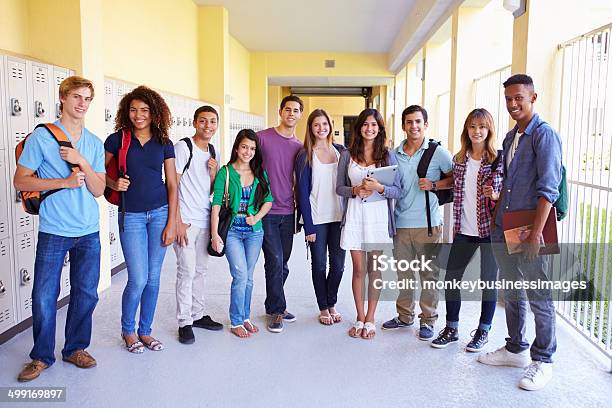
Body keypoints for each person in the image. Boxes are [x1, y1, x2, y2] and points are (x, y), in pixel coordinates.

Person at [14, 76, 106, 381]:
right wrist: (63, 182)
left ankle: (75, 348)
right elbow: (21, 180)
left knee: (86, 293)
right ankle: (41, 356)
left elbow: (98, 189)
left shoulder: (93, 142)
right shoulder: (42, 137)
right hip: (54, 229)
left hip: (88, 230)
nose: (82, 104)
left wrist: (81, 161)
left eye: (88, 98)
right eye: (77, 97)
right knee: (43, 295)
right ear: (63, 98)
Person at [478, 74, 562, 391]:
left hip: (530, 229)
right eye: (509, 99)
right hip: (505, 225)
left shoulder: (544, 135)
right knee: (512, 291)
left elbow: (548, 190)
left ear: (533, 98)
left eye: (519, 99)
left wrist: (535, 235)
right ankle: (516, 348)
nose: (513, 104)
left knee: (539, 295)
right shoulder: (511, 137)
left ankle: (543, 360)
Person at [104, 86, 177, 353]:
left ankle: (145, 331)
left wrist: (172, 222)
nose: (138, 115)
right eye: (133, 110)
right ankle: (128, 331)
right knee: (137, 278)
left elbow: (172, 184)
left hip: (159, 214)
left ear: (154, 112)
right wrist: (114, 182)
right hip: (131, 215)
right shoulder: (117, 140)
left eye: (144, 110)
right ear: (126, 112)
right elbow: (97, 175)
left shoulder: (164, 143)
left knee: (154, 278)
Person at [430, 108, 503, 351]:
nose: (477, 131)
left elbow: (504, 192)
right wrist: (433, 185)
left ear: (489, 129)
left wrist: (495, 194)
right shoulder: (459, 160)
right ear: (467, 130)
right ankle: (451, 328)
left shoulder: (496, 161)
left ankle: (483, 331)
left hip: (489, 231)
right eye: (472, 126)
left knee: (488, 282)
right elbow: (454, 187)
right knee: (451, 278)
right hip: (464, 230)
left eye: (482, 126)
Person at [381, 105, 453, 340]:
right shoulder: (393, 154)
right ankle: (404, 316)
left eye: (418, 122)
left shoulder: (438, 152)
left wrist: (433, 185)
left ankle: (428, 320)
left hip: (429, 225)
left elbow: (455, 178)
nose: (414, 126)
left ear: (425, 125)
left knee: (428, 275)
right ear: (403, 126)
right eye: (409, 122)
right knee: (404, 274)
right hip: (400, 223)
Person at [336, 108, 401, 339]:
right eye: (365, 124)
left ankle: (371, 318)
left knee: (375, 269)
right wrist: (355, 189)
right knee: (358, 269)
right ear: (359, 127)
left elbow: (397, 191)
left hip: (377, 217)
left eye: (374, 125)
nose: (369, 128)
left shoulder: (387, 155)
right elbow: (339, 188)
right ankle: (359, 316)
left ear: (380, 129)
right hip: (355, 214)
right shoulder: (347, 155)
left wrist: (379, 188)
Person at [211, 129, 273, 338]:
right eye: (244, 147)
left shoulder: (259, 172)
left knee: (248, 277)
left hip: (254, 232)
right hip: (233, 231)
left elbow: (268, 200)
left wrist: (256, 218)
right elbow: (216, 205)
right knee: (240, 274)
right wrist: (214, 234)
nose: (248, 152)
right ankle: (236, 320)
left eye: (252, 148)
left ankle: (245, 317)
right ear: (237, 147)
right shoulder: (226, 173)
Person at [173, 106, 223, 345]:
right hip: (186, 222)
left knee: (201, 271)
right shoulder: (184, 147)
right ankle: (184, 322)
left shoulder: (213, 151)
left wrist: (213, 174)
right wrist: (177, 221)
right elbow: (173, 185)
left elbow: (213, 191)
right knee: (186, 271)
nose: (208, 126)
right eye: (203, 121)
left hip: (205, 221)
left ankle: (198, 314)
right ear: (194, 122)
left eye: (212, 122)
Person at [257, 95, 304, 333]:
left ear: (300, 115)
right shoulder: (262, 138)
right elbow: (247, 165)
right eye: (288, 109)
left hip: (289, 211)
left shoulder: (299, 146)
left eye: (296, 110)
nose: (291, 114)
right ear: (280, 111)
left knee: (282, 264)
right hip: (266, 211)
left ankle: (273, 303)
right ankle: (277, 311)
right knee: (274, 260)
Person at [295, 109, 346, 325]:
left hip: (339, 218)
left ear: (330, 126)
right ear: (310, 128)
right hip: (316, 219)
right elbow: (302, 194)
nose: (321, 128)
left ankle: (332, 301)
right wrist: (309, 227)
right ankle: (324, 307)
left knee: (339, 265)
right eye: (316, 125)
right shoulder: (305, 155)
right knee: (319, 265)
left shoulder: (341, 152)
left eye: (324, 124)